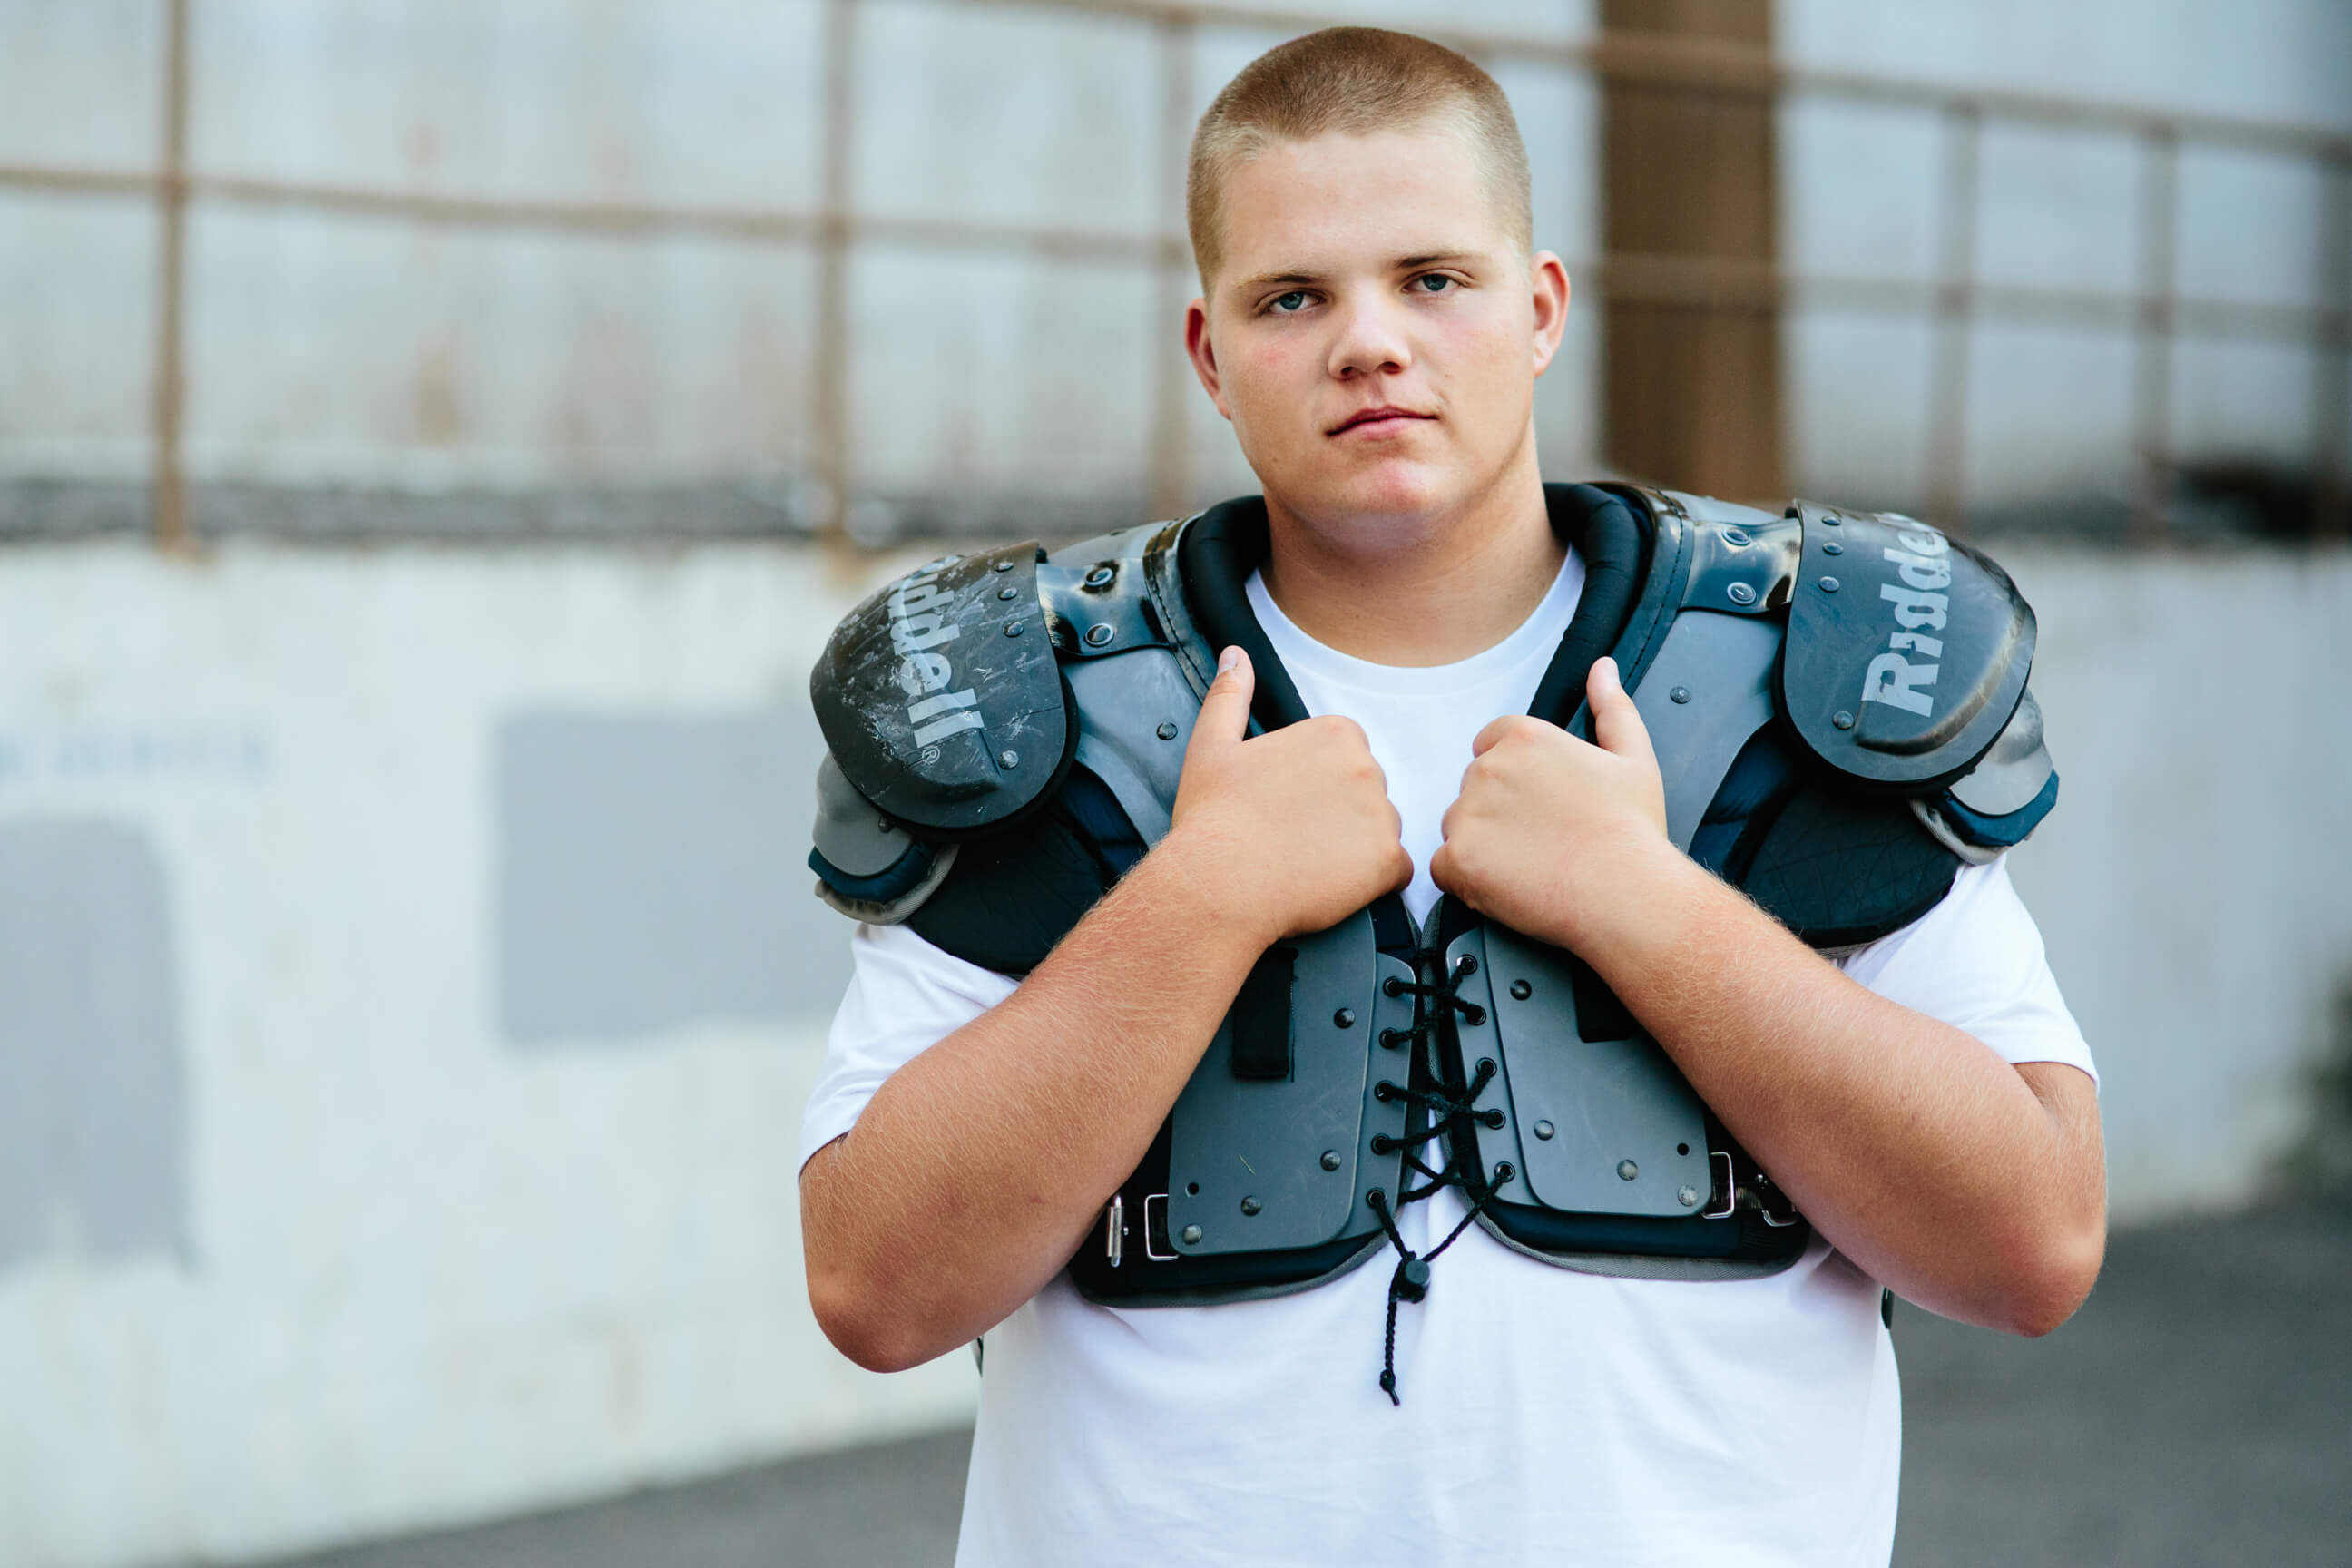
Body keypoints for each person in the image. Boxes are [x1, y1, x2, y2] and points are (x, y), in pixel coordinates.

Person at [798, 26, 2104, 1568]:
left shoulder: (1793, 687)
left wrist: (1650, 907)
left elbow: (2035, 1241)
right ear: (1212, 353)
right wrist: (1204, 893)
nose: (1369, 342)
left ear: (1539, 309)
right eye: (1295, 297)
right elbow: (876, 1288)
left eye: (1433, 278)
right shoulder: (1049, 713)